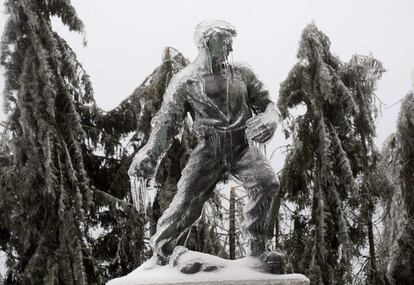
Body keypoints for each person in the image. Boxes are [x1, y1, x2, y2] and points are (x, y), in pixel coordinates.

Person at [128, 20, 282, 273]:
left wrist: (269, 119)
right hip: (209, 148)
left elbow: (268, 105)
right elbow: (167, 122)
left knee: (267, 182)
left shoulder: (242, 73)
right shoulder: (185, 81)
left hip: (241, 146)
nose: (231, 48)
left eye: (233, 42)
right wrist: (149, 154)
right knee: (187, 201)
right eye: (226, 42)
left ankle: (257, 249)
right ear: (207, 42)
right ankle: (163, 252)